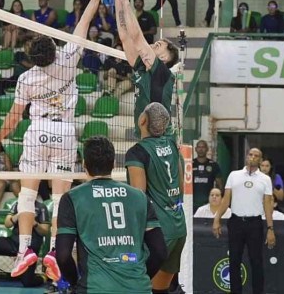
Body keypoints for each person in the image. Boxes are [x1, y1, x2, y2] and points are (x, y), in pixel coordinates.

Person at [0, 0, 109, 280]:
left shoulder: (26, 79)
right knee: (59, 199)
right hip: (65, 132)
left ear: (33, 59)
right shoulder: (68, 60)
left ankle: (24, 250)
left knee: (27, 195)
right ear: (54, 49)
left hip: (37, 132)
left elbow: (13, 120)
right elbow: (86, 18)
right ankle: (53, 251)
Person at [56, 136, 167, 293]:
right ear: (114, 164)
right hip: (138, 288)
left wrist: (75, 283)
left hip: (94, 288)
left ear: (84, 165)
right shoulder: (140, 197)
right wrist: (138, 279)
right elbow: (160, 252)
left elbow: (63, 255)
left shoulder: (72, 198)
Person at [125, 102, 186, 294]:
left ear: (142, 120)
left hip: (157, 231)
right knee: (160, 289)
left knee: (136, 286)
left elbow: (138, 196)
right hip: (178, 226)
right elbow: (181, 187)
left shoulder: (137, 152)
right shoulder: (172, 145)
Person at [111, 0, 180, 138]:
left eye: (158, 46)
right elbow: (125, 37)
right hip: (144, 135)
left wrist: (127, 2)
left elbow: (136, 37)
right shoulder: (143, 66)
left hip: (160, 138)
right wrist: (118, 1)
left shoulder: (163, 73)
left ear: (164, 59)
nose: (153, 44)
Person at [213, 147, 275, 294]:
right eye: (250, 154)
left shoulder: (265, 179)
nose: (252, 157)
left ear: (260, 160)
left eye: (256, 155)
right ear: (246, 156)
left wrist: (270, 229)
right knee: (234, 261)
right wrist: (217, 219)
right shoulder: (234, 175)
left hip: (255, 223)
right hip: (236, 222)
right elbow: (226, 199)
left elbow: (267, 204)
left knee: (256, 262)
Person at [0, 199, 49, 287]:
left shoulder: (41, 207)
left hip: (30, 247)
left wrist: (34, 223)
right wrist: (18, 215)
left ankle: (43, 277)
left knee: (27, 282)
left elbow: (45, 231)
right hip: (14, 242)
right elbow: (7, 223)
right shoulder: (18, 204)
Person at [192, 140, 223, 213]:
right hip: (192, 204)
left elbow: (220, 185)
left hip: (208, 204)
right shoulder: (190, 164)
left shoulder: (213, 165)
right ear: (195, 149)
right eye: (199, 147)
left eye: (203, 147)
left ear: (207, 149)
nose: (201, 149)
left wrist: (217, 200)